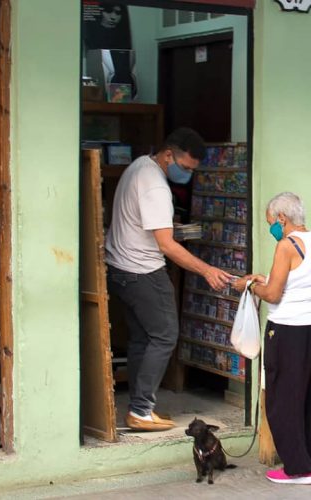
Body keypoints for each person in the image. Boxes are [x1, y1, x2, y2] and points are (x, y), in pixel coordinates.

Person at [105, 127, 233, 432]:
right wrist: (207, 270)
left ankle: (139, 405)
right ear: (167, 154)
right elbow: (165, 244)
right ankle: (141, 410)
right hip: (143, 271)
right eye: (185, 167)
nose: (186, 174)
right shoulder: (156, 186)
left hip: (120, 268)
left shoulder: (138, 167)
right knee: (164, 336)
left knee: (141, 338)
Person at [232, 192, 311, 485]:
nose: (272, 229)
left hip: (291, 328)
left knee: (284, 397)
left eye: (272, 223)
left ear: (282, 218)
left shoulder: (286, 245)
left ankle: (298, 468)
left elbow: (274, 294)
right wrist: (263, 281)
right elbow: (300, 281)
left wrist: (251, 285)